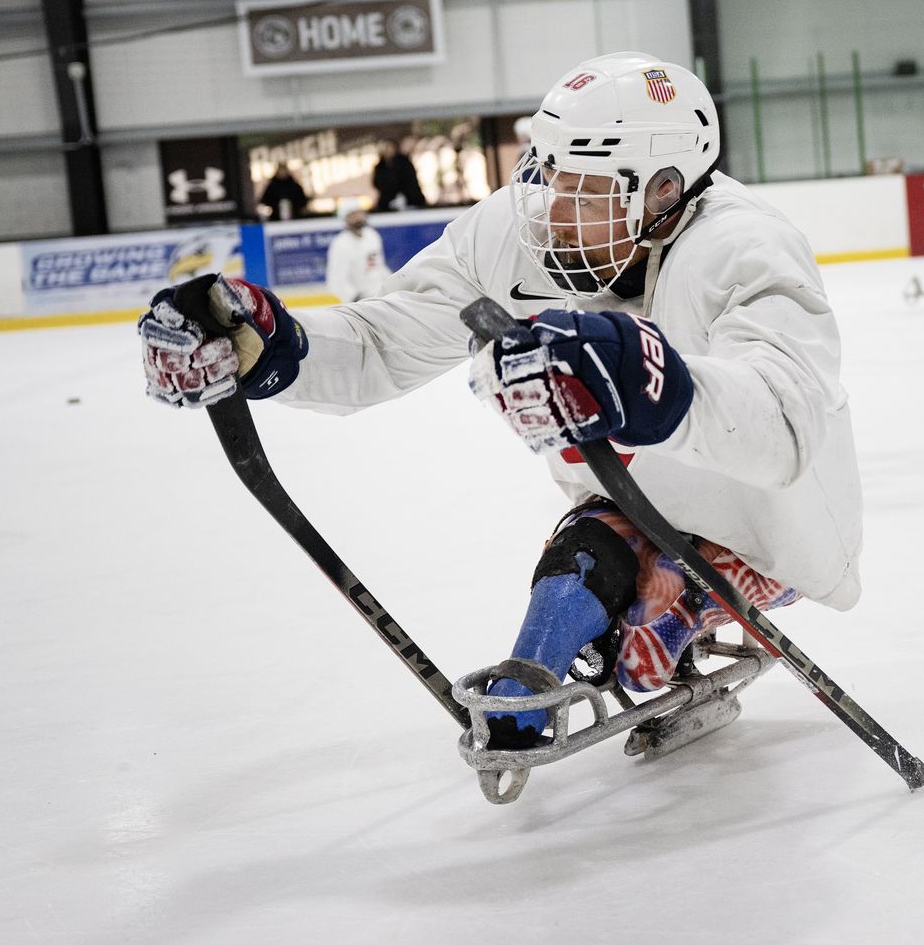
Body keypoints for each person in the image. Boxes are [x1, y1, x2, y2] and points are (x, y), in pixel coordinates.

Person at [136, 53, 862, 751]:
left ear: (663, 191)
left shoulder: (746, 246)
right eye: (548, 176)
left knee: (640, 640)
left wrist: (655, 384)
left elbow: (786, 421)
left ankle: (722, 588)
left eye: (587, 190)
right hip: (625, 499)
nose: (552, 212)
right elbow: (385, 339)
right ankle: (545, 674)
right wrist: (272, 347)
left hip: (767, 519)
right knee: (573, 577)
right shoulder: (515, 233)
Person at [324, 203, 389, 302]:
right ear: (345, 219)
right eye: (353, 215)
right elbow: (336, 280)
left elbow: (379, 266)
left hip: (380, 295)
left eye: (360, 213)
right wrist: (356, 298)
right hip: (359, 301)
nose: (358, 218)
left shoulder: (372, 236)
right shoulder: (341, 244)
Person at [371, 138, 428, 212]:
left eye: (389, 147)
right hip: (387, 203)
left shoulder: (404, 163)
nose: (387, 150)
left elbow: (410, 182)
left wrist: (403, 196)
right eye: (385, 148)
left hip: (410, 201)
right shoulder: (380, 167)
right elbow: (377, 183)